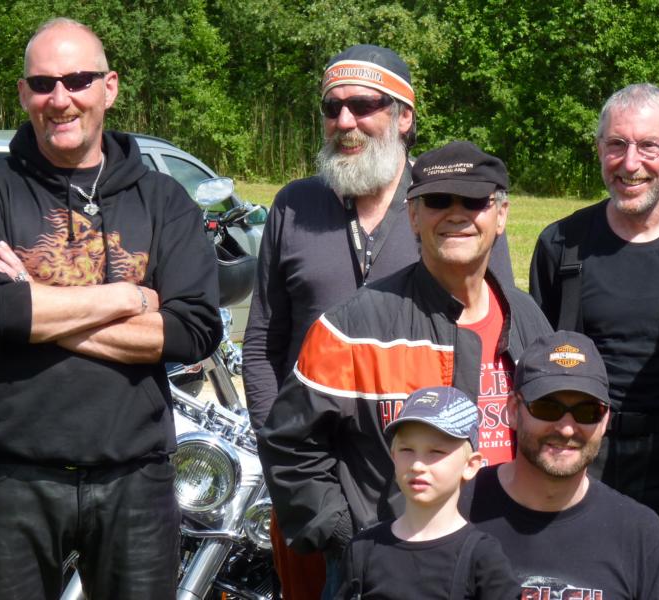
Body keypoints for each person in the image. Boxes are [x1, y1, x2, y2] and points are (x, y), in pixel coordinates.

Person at [0, 18, 222, 600]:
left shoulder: (163, 199)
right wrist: (126, 298)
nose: (60, 98)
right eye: (43, 84)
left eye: (77, 80)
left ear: (108, 88)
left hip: (135, 478)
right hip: (10, 479)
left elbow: (192, 330)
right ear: (24, 94)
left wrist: (34, 300)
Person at [243, 44, 513, 599]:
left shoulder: (450, 206)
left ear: (404, 116)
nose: (345, 121)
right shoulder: (293, 206)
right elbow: (263, 345)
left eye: (364, 105)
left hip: (430, 499)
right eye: (332, 107)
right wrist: (302, 487)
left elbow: (493, 341)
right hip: (314, 497)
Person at [258, 140, 551, 597]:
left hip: (503, 564)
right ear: (413, 215)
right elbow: (288, 444)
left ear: (501, 215)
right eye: (438, 201)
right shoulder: (352, 327)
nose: (456, 214)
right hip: (391, 575)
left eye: (474, 201)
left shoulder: (529, 318)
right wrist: (348, 536)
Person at [529, 83, 659, 597]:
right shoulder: (562, 245)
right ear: (598, 149)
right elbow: (535, 366)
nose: (630, 163)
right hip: (585, 453)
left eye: (648, 146)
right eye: (616, 144)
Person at [460, 331, 659, 599]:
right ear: (514, 410)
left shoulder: (639, 532)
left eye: (587, 412)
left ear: (605, 420)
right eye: (547, 408)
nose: (566, 429)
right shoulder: (456, 506)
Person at [336, 386, 520, 600]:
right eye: (407, 450)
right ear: (394, 456)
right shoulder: (362, 550)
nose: (417, 465)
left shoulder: (483, 558)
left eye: (435, 452)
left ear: (470, 465)